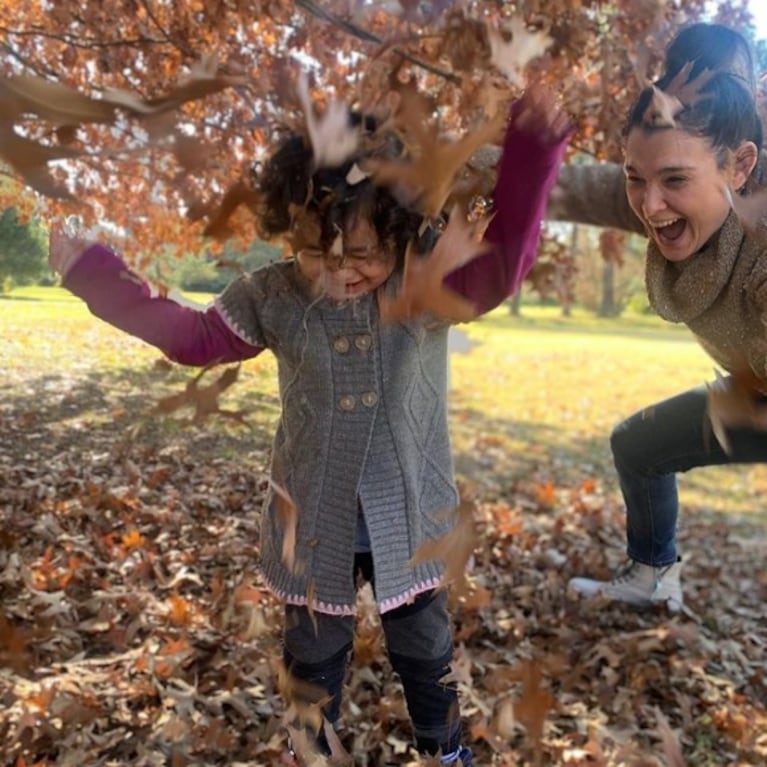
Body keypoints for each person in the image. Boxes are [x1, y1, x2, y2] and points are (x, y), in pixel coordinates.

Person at [49, 85, 571, 765]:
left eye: (360, 253)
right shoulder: (271, 294)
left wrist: (534, 143)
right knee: (312, 653)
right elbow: (192, 337)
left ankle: (444, 748)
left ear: (399, 231)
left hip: (409, 519)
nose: (337, 272)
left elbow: (501, 268)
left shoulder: (423, 277)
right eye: (315, 250)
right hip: (312, 523)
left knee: (424, 646)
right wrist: (94, 272)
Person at [548, 22, 767, 613]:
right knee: (639, 444)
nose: (651, 203)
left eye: (673, 181)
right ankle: (652, 576)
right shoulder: (667, 176)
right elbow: (565, 187)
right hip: (754, 393)